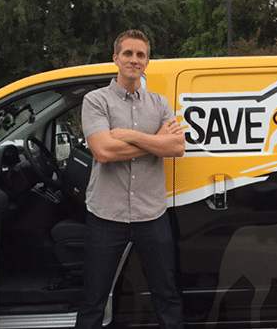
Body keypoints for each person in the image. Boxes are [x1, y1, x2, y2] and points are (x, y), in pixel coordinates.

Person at [76, 29, 185, 329]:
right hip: (106, 216)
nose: (134, 60)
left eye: (140, 55)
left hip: (152, 215)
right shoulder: (95, 101)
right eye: (128, 53)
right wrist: (155, 141)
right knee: (93, 300)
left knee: (167, 295)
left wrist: (128, 135)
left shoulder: (160, 104)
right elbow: (103, 151)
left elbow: (177, 147)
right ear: (116, 58)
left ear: (147, 62)